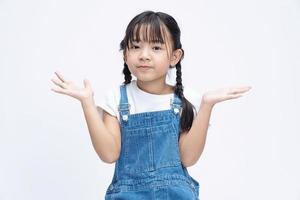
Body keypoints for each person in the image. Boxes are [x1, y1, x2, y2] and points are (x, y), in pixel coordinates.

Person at [50, 10, 251, 200]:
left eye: (156, 47)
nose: (144, 55)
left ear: (174, 56)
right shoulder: (116, 99)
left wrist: (207, 105)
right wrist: (87, 103)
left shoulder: (187, 99)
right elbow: (109, 154)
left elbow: (188, 158)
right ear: (125, 54)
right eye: (136, 46)